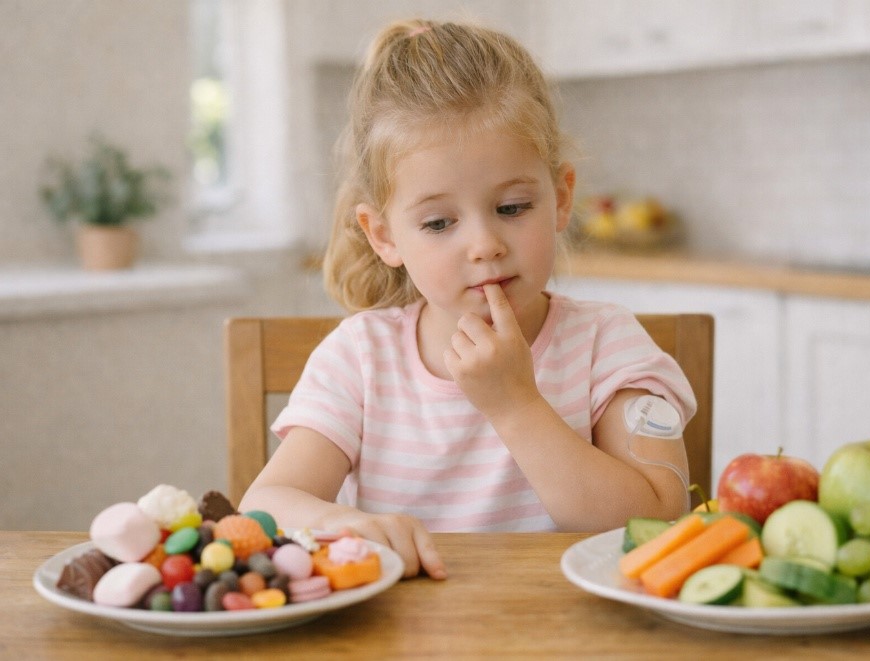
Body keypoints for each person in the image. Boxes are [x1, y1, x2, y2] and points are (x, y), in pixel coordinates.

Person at [239, 18, 697, 580]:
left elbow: (658, 520)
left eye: (511, 208)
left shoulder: (607, 343)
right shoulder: (362, 357)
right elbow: (264, 507)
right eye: (438, 222)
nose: (484, 245)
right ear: (383, 235)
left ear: (560, 198)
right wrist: (342, 523)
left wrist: (515, 405)